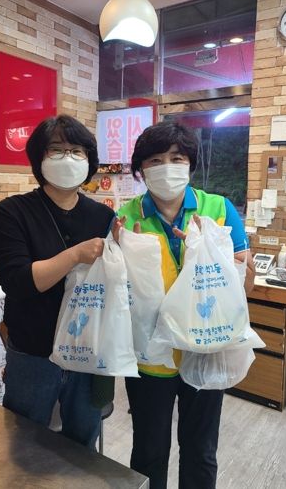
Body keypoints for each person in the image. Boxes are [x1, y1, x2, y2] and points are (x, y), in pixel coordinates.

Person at [114, 121, 255, 489]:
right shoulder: (125, 217)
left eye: (177, 158)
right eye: (155, 160)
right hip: (149, 357)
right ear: (141, 169)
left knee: (200, 449)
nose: (167, 167)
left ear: (190, 164)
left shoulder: (218, 209)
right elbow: (116, 292)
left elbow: (246, 283)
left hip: (206, 350)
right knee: (148, 450)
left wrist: (211, 253)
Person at [0, 114, 115, 450]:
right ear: (39, 159)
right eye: (56, 150)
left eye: (77, 151)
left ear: (89, 160)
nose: (67, 158)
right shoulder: (13, 212)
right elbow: (16, 281)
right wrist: (75, 255)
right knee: (23, 445)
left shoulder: (103, 217)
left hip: (88, 352)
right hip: (33, 352)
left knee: (83, 446)